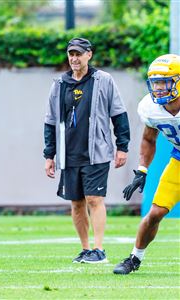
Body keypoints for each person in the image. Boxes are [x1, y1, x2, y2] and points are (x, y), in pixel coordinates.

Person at [43, 38, 130, 263]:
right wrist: (49, 155)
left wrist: (122, 147)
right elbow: (50, 121)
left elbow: (119, 113)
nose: (74, 58)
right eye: (71, 54)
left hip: (97, 151)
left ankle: (99, 250)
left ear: (89, 55)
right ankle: (85, 249)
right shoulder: (59, 84)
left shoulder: (104, 80)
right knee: (76, 203)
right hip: (68, 153)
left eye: (78, 54)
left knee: (94, 199)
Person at [113, 54, 180, 274]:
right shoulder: (150, 108)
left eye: (165, 82)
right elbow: (148, 139)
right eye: (156, 82)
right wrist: (142, 170)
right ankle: (134, 258)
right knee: (155, 214)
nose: (159, 88)